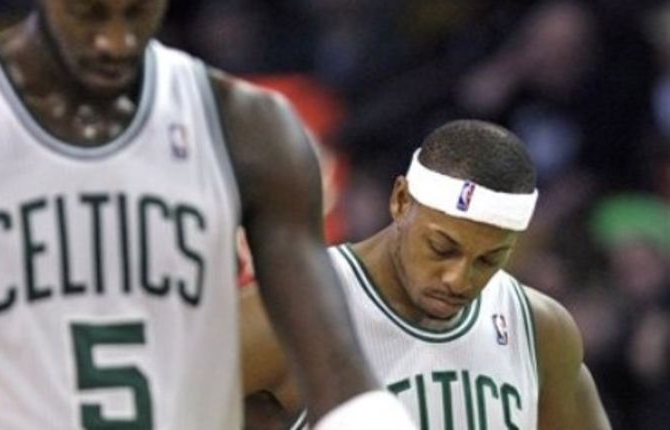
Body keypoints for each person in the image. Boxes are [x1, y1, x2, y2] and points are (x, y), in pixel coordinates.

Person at [0, 1, 415, 428]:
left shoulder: (248, 131)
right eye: (91, 14)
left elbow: (343, 384)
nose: (116, 41)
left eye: (137, 13)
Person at [240, 120, 612, 429]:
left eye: (488, 260)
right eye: (442, 248)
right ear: (401, 201)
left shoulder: (540, 330)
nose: (458, 279)